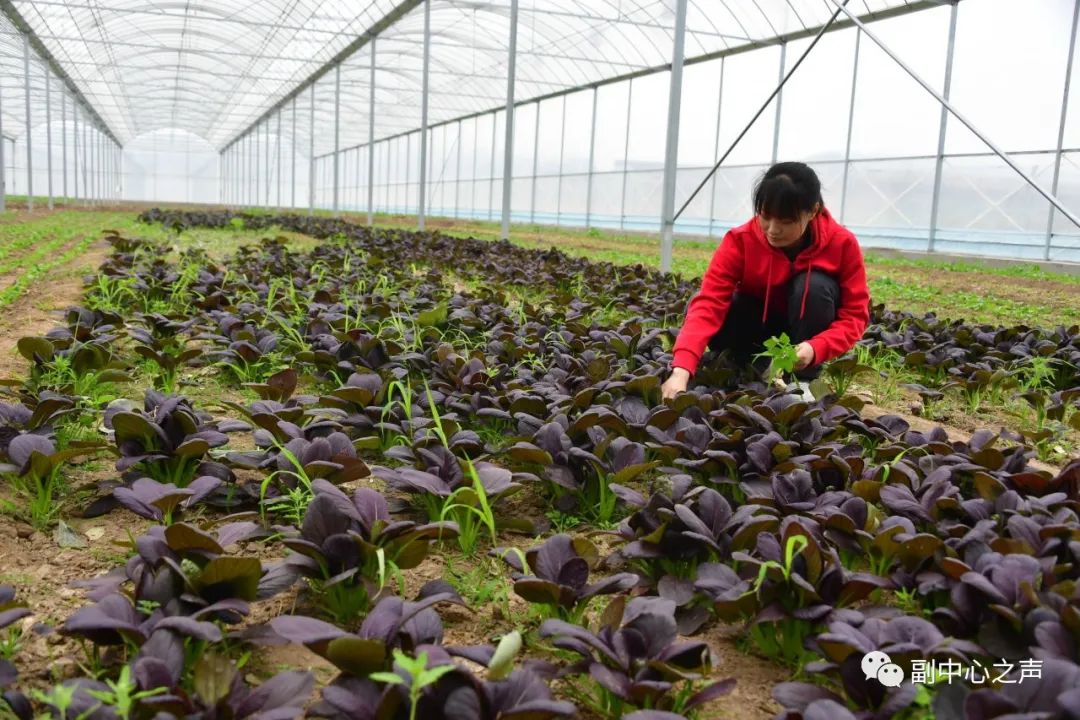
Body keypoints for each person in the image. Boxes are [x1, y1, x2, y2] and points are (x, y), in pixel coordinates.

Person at [661, 161, 870, 401]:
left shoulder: (842, 243)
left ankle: (803, 382)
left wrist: (816, 348)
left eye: (786, 221)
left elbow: (855, 316)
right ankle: (749, 365)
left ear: (813, 211)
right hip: (756, 329)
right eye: (765, 216)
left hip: (803, 339)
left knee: (814, 288)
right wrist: (681, 370)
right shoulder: (740, 241)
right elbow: (709, 303)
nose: (772, 229)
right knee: (705, 303)